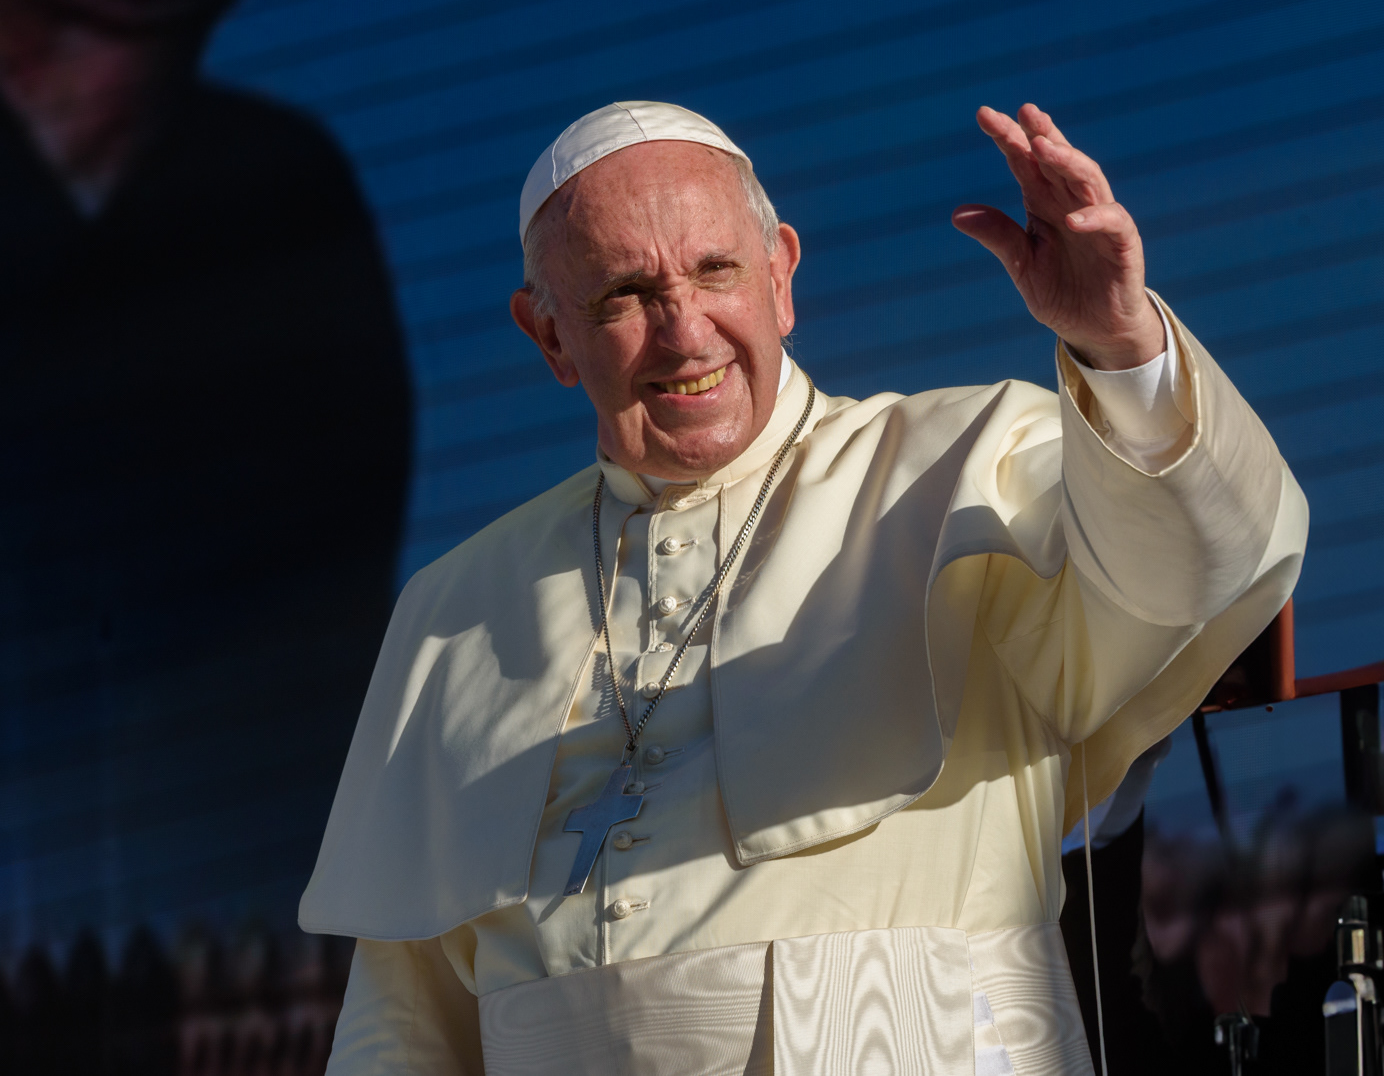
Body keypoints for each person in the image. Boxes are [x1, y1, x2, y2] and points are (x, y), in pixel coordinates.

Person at [302, 100, 1308, 1074]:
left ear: (781, 274)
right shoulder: (452, 613)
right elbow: (404, 1020)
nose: (684, 333)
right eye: (621, 297)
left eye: (715, 271)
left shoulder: (968, 469)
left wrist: (1123, 350)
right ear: (549, 335)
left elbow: (1191, 568)